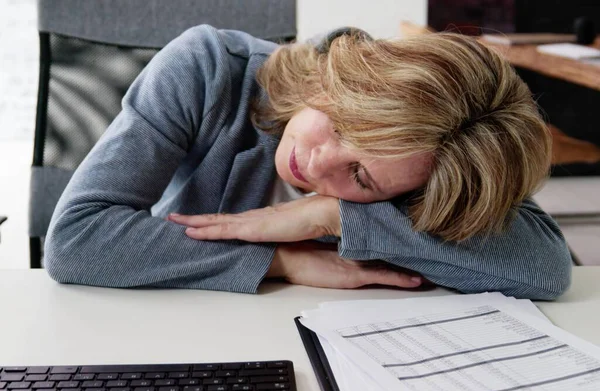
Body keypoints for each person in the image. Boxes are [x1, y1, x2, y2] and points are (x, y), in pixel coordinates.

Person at [44, 25, 572, 300]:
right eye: (343, 123)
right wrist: (282, 261)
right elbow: (76, 241)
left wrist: (333, 215)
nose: (318, 163)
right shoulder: (205, 67)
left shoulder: (445, 146)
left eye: (361, 177)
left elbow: (546, 270)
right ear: (346, 79)